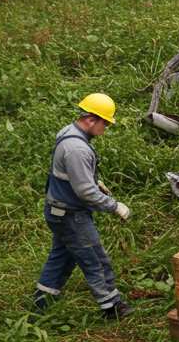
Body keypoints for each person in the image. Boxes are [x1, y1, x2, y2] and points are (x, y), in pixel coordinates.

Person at [33, 93, 133, 319]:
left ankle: (41, 304)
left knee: (62, 257)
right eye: (105, 123)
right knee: (96, 259)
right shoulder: (78, 149)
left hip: (57, 210)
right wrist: (114, 206)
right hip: (71, 215)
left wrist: (93, 180)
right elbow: (85, 192)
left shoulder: (68, 133)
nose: (105, 128)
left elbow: (72, 175)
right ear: (91, 119)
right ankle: (112, 307)